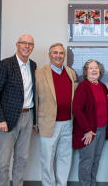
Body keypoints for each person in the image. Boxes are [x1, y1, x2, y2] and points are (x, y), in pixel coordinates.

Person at [0, 34, 37, 186]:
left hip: (28, 116)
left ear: (33, 47)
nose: (27, 46)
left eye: (30, 44)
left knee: (22, 159)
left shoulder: (33, 65)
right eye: (24, 43)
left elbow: (33, 93)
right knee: (4, 162)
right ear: (17, 44)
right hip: (7, 118)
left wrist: (34, 120)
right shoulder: (5, 64)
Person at [35, 43, 78, 186]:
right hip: (48, 123)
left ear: (64, 56)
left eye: (61, 53)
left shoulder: (70, 72)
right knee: (47, 159)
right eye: (55, 53)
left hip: (67, 123)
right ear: (49, 55)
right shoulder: (39, 72)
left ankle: (62, 183)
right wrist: (35, 122)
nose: (58, 56)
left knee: (65, 158)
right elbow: (34, 98)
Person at [72, 59, 108, 186]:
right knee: (87, 161)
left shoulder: (102, 86)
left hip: (102, 129)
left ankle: (92, 183)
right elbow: (76, 110)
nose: (94, 70)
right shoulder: (83, 86)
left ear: (100, 71)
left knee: (96, 160)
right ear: (86, 71)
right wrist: (87, 130)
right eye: (90, 68)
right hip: (89, 131)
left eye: (96, 68)